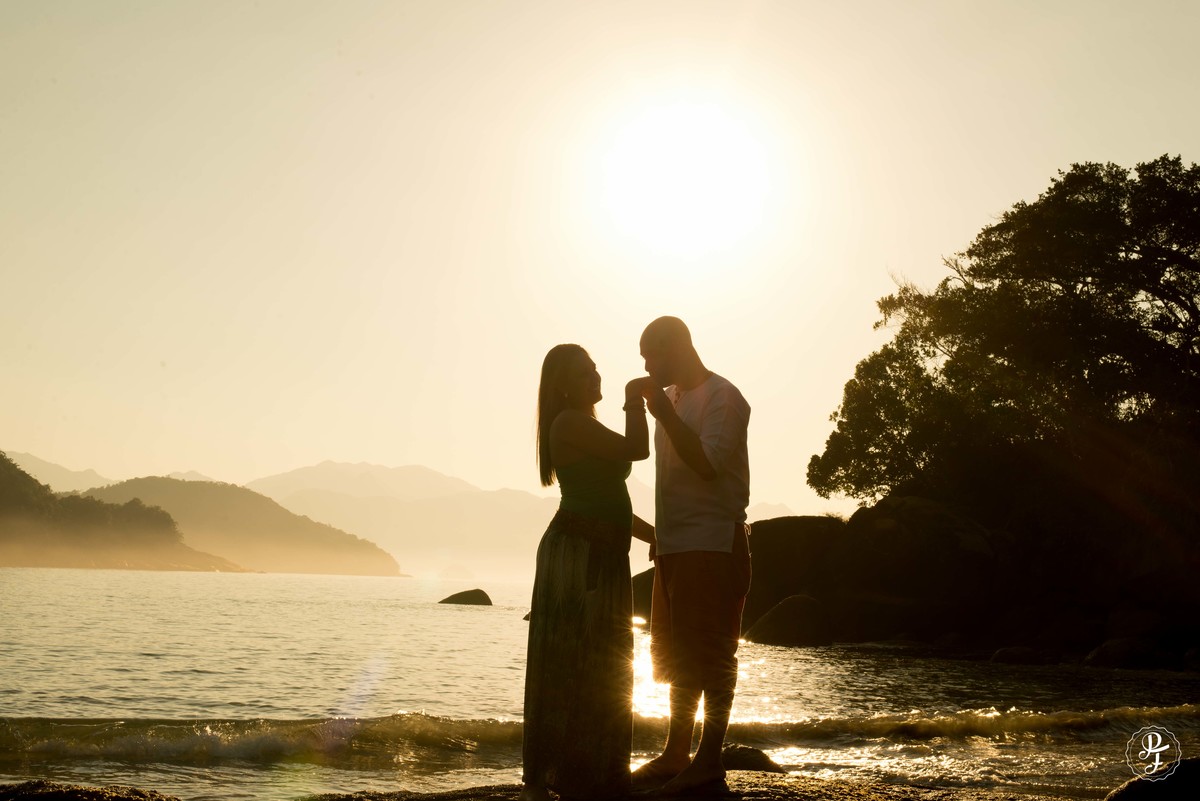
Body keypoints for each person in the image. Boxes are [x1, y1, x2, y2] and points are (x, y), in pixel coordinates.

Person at [521, 344, 657, 801]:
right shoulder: (569, 422)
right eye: (583, 374)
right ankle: (542, 780)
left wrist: (650, 534)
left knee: (603, 669)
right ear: (562, 385)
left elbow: (605, 498)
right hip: (578, 554)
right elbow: (638, 449)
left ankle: (591, 775)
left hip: (604, 551)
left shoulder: (586, 423)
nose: (594, 377)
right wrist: (633, 397)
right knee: (568, 665)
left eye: (594, 369)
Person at [630, 316, 751, 796]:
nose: (645, 365)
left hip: (715, 543)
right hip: (676, 546)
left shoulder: (724, 397)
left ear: (676, 349)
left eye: (650, 355)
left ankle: (709, 759)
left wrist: (661, 411)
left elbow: (706, 464)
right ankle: (677, 751)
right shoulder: (676, 399)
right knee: (681, 658)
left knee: (715, 653)